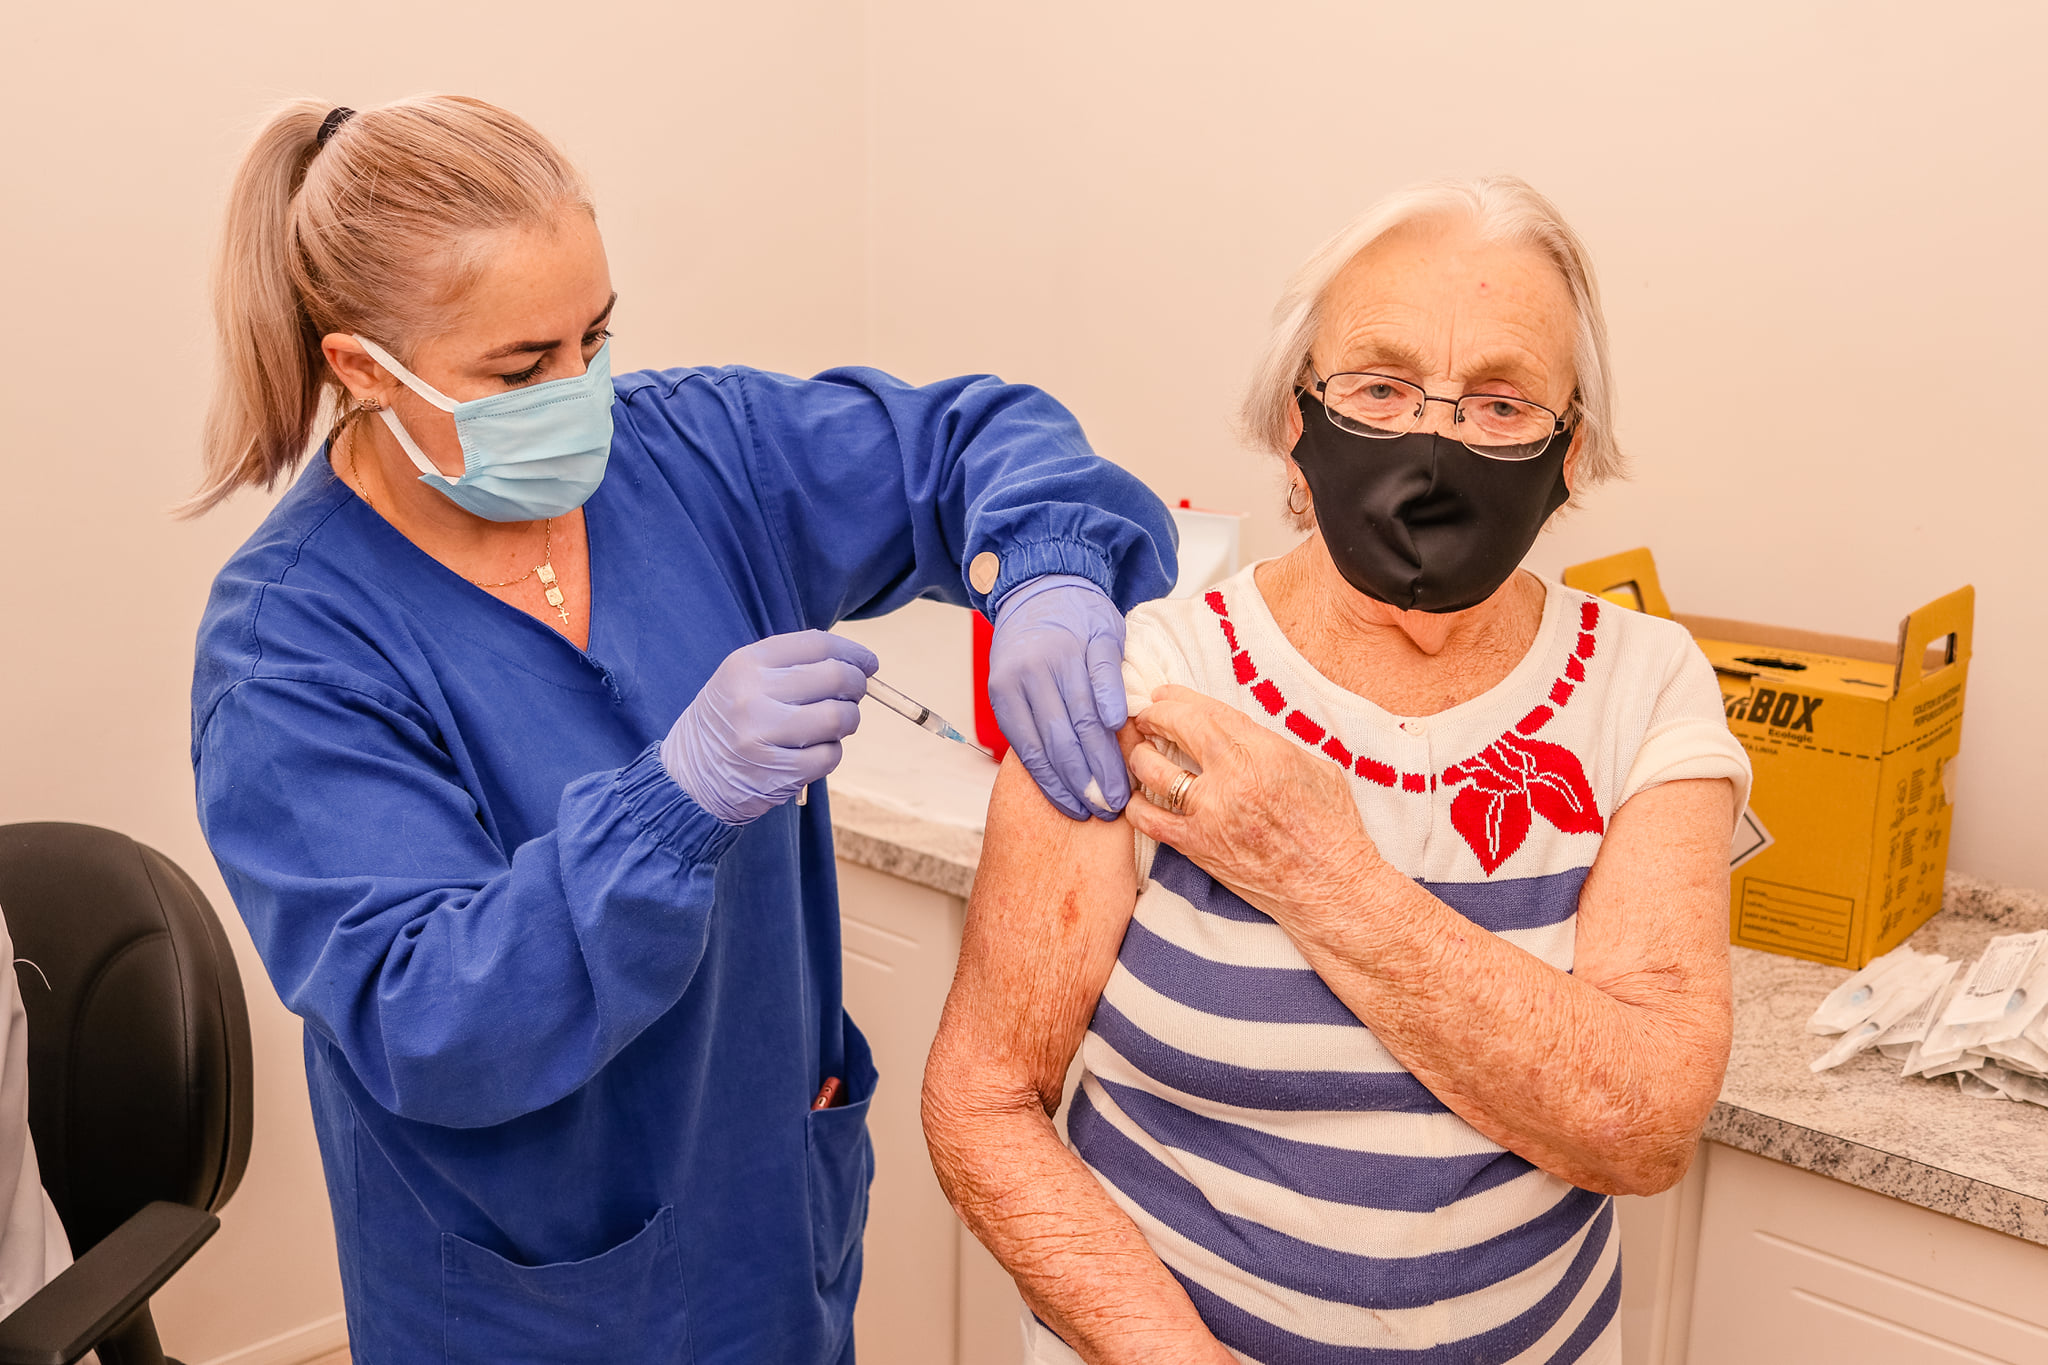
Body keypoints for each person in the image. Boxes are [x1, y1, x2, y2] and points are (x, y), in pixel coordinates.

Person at [188, 96, 1175, 1361]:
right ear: (364, 370)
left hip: (766, 1222)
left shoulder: (697, 454)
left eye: (595, 337)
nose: (579, 395)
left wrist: (1049, 564)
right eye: (520, 371)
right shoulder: (291, 646)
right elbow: (423, 1016)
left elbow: (968, 440)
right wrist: (673, 805)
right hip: (530, 1294)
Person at [923, 176, 1752, 1365]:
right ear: (1292, 423)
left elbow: (1640, 1125)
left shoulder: (1644, 684)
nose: (1434, 444)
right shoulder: (1155, 682)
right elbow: (982, 1104)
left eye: (1501, 403)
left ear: (1570, 452)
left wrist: (1319, 872)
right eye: (1377, 387)